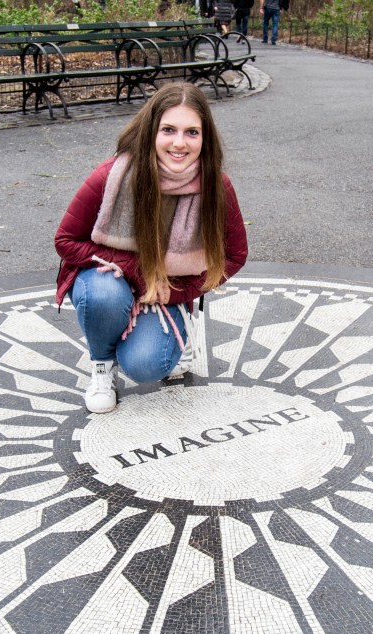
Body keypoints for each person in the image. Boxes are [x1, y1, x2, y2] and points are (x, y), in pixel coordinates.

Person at [54, 83, 248, 414]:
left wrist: (178, 291)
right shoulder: (112, 175)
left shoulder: (216, 184)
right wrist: (140, 274)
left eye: (192, 132)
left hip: (166, 290)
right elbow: (66, 241)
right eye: (168, 130)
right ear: (151, 131)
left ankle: (174, 337)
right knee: (105, 296)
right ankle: (102, 365)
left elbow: (234, 255)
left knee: (147, 366)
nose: (179, 142)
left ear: (205, 138)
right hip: (107, 279)